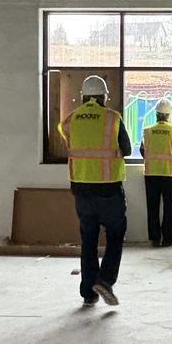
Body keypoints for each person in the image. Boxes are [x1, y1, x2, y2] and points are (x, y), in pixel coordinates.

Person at [58, 75, 131, 307]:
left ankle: (88, 293)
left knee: (88, 240)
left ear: (82, 96)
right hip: (108, 188)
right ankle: (106, 281)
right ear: (104, 97)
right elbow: (126, 149)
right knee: (115, 235)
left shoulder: (69, 121)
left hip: (81, 190)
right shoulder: (112, 118)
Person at [139, 98, 172, 248]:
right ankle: (168, 239)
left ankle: (154, 239)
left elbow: (142, 151)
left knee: (152, 207)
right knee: (169, 207)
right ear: (169, 114)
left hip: (151, 173)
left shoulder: (147, 131)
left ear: (156, 114)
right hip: (170, 173)